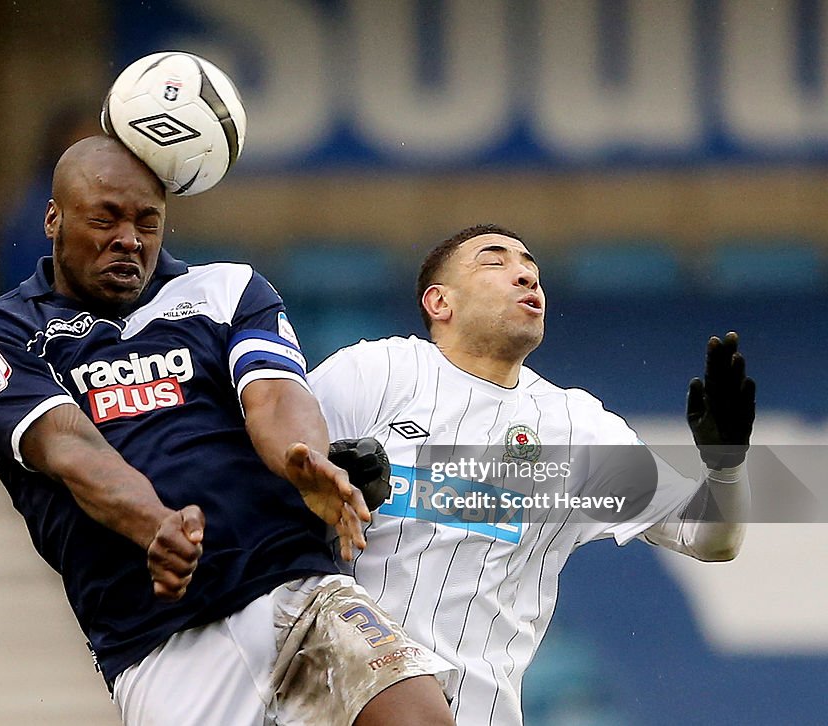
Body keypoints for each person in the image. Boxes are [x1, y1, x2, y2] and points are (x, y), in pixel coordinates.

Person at [0, 135, 457, 726]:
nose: (129, 240)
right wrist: (155, 524)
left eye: (147, 222)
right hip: (156, 642)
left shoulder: (227, 289)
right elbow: (71, 447)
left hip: (294, 587)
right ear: (54, 219)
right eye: (104, 219)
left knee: (419, 716)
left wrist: (304, 460)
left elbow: (274, 394)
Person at [309, 224, 755, 725]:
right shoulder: (376, 372)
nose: (525, 276)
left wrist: (725, 464)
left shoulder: (577, 428)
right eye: (495, 262)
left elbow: (712, 538)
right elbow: (263, 483)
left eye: (531, 268)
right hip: (336, 704)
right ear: (440, 303)